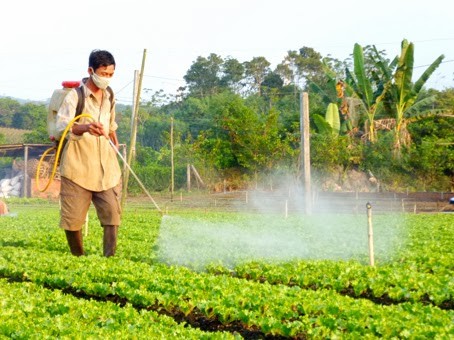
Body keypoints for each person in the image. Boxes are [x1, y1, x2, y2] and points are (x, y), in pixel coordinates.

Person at [55, 49, 122, 257]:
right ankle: (79, 258)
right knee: (73, 220)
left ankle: (109, 258)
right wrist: (85, 128)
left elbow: (111, 126)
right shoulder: (76, 96)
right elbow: (61, 127)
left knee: (112, 216)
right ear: (91, 70)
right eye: (103, 73)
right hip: (78, 168)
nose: (107, 78)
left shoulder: (110, 95)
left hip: (106, 169)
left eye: (110, 74)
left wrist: (114, 143)